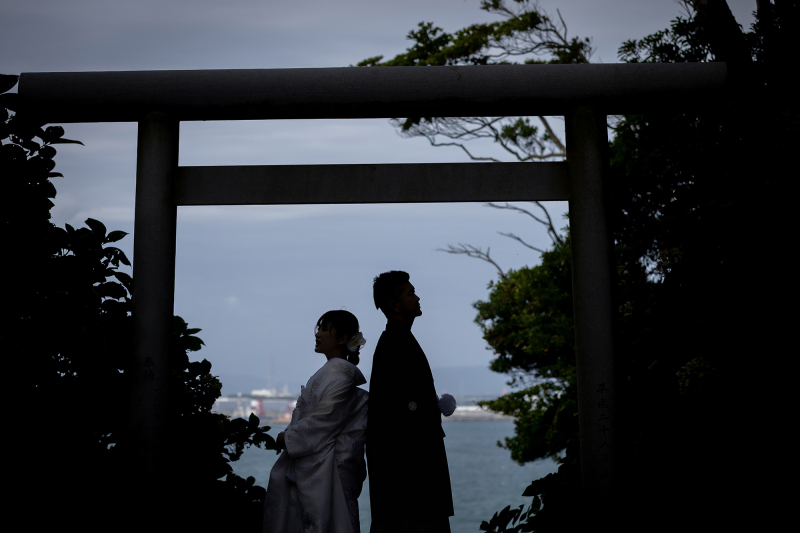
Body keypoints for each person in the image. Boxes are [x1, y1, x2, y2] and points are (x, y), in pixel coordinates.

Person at [263, 310, 369, 533]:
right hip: (321, 466)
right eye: (318, 328)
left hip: (330, 469)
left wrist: (288, 437)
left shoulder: (341, 377)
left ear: (342, 339)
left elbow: (323, 420)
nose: (318, 334)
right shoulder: (333, 374)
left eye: (324, 329)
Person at [367, 271, 457, 533]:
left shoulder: (398, 339)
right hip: (411, 477)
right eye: (411, 293)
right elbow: (399, 416)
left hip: (411, 473)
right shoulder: (395, 343)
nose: (417, 298)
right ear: (394, 305)